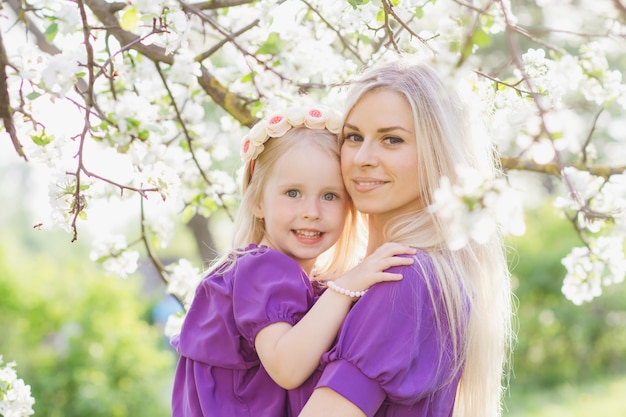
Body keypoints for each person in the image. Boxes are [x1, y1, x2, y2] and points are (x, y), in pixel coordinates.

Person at [296, 62, 514, 417]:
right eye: (353, 137)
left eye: (391, 139)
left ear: (438, 152)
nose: (363, 158)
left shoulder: (405, 279)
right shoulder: (363, 279)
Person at [171, 105, 416, 417]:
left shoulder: (278, 277)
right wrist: (346, 288)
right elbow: (287, 367)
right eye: (292, 193)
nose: (312, 211)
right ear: (258, 200)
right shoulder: (263, 269)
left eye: (330, 196)